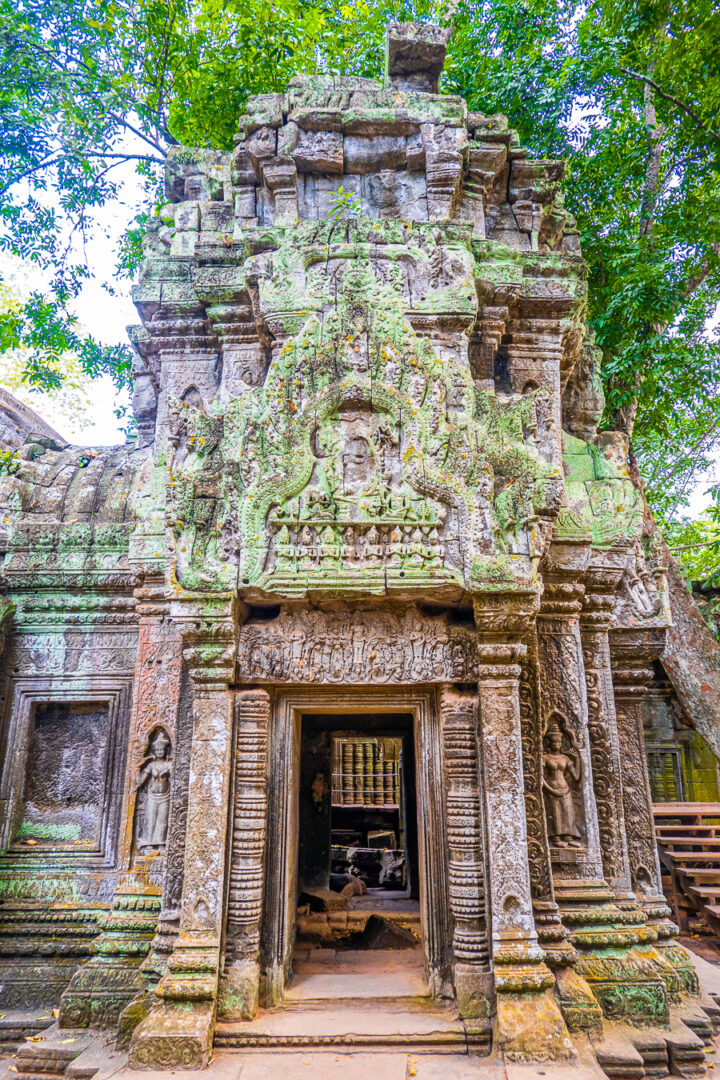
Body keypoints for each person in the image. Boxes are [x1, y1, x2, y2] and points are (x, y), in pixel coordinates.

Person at [542, 719, 582, 848]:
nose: (556, 744)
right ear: (549, 743)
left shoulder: (565, 758)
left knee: (567, 813)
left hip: (565, 789)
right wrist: (549, 789)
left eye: (559, 741)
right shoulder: (545, 758)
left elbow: (576, 777)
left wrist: (578, 760)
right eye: (554, 741)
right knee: (555, 814)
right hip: (551, 788)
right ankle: (556, 838)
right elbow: (540, 777)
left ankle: (568, 837)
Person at [136, 730, 172, 847]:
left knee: (162, 820)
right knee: (150, 819)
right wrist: (136, 783)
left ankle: (161, 843)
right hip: (152, 796)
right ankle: (148, 843)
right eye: (158, 750)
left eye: (162, 750)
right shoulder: (151, 765)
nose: (160, 752)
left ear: (166, 751)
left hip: (165, 795)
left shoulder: (169, 765)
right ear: (155, 752)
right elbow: (143, 778)